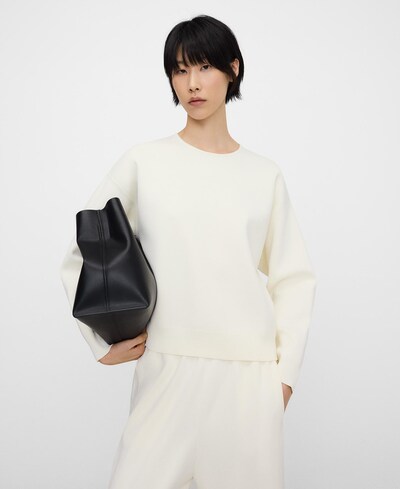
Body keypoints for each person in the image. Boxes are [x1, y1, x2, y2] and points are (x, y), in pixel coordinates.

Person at [60, 14, 317, 489]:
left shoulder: (263, 175)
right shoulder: (144, 162)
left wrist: (282, 380)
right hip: (166, 371)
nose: (192, 83)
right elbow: (85, 248)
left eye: (203, 67)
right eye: (179, 70)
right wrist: (101, 343)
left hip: (247, 382)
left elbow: (293, 279)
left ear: (232, 69)